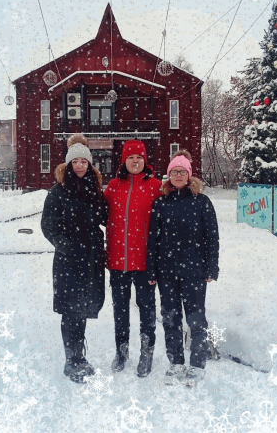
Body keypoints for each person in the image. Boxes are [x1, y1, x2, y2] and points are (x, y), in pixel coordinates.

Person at [147, 150, 219, 387]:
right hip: (167, 272)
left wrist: (211, 267)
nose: (178, 175)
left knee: (196, 319)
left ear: (189, 175)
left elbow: (212, 237)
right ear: (169, 175)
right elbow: (153, 240)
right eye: (174, 171)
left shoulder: (201, 202)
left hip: (194, 271)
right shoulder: (161, 203)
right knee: (170, 319)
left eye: (182, 171)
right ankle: (176, 362)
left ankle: (197, 364)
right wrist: (152, 270)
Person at [41, 133, 107, 384]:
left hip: (90, 258)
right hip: (68, 260)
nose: (80, 165)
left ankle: (80, 357)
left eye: (84, 161)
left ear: (89, 164)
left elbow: (104, 217)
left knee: (83, 308)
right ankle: (72, 360)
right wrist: (66, 245)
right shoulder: (58, 191)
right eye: (76, 161)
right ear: (68, 164)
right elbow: (48, 225)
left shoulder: (94, 190)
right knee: (71, 311)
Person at [104, 140, 162, 377]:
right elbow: (98, 212)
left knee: (147, 309)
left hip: (145, 261)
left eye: (139, 157)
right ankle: (122, 350)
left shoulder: (155, 186)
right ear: (124, 161)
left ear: (145, 160)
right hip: (117, 260)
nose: (135, 161)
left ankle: (146, 353)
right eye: (130, 158)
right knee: (120, 310)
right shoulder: (113, 186)